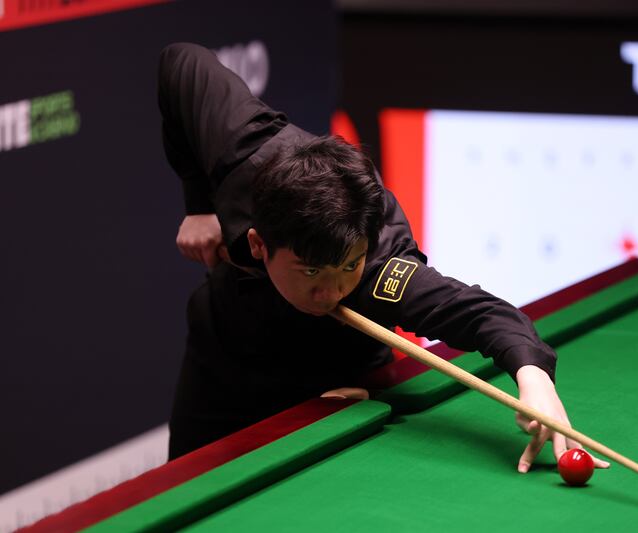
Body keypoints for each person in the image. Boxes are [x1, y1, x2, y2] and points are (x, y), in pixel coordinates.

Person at [158, 42, 609, 473]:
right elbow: (181, 63)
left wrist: (534, 380)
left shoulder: (377, 271)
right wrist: (199, 203)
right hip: (224, 350)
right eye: (312, 271)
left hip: (338, 366)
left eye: (346, 268)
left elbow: (477, 313)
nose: (331, 292)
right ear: (259, 246)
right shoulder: (245, 146)